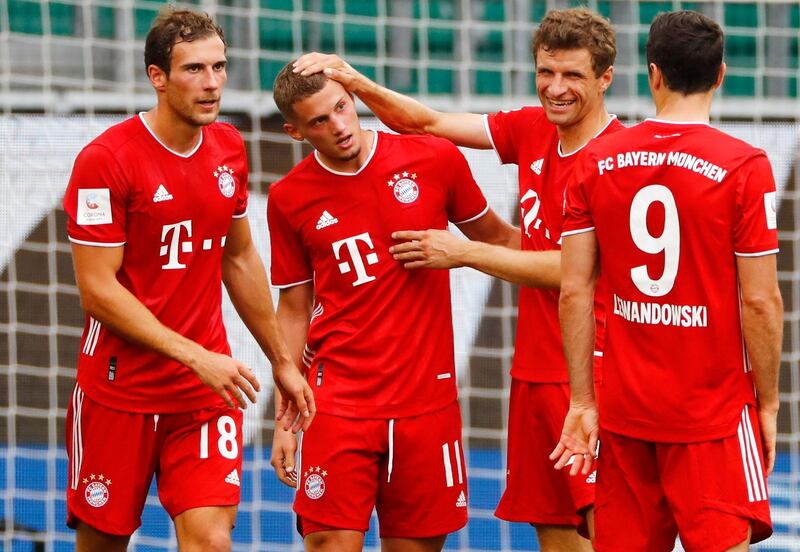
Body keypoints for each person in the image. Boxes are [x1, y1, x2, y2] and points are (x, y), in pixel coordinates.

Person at [292, 7, 620, 549]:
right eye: (546, 72)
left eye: (573, 76)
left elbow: (573, 270)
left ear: (605, 78)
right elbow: (425, 123)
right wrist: (355, 81)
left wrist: (465, 252)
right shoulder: (532, 128)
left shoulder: (616, 160)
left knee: (607, 528)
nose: (555, 89)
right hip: (536, 368)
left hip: (594, 369)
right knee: (555, 528)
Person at [62, 8, 314, 552]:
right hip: (118, 392)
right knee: (102, 543)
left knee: (211, 542)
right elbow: (98, 291)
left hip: (202, 397)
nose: (213, 83)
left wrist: (282, 361)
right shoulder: (105, 161)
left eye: (220, 67)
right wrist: (195, 354)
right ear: (158, 77)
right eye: (195, 69)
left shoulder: (228, 147)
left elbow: (240, 257)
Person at [553, 10, 783, 551]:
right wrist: (768, 404)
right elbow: (761, 301)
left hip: (627, 411)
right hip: (714, 418)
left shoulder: (596, 160)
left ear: (652, 73)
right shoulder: (745, 166)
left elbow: (574, 289)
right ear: (721, 74)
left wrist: (583, 401)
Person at [267, 63, 518, 551]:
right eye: (319, 121)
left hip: (427, 405)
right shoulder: (288, 198)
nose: (339, 126)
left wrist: (579, 262)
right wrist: (284, 419)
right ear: (294, 132)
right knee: (327, 543)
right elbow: (295, 309)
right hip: (336, 401)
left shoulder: (433, 157)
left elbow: (503, 242)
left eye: (342, 108)